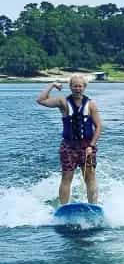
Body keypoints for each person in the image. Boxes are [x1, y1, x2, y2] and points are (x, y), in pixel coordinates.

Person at [36, 75, 102, 204]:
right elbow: (41, 100)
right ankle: (64, 207)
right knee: (66, 177)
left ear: (84, 87)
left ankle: (93, 205)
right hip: (68, 146)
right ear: (70, 87)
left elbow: (99, 126)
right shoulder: (63, 102)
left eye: (80, 86)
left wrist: (92, 145)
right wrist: (52, 85)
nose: (77, 88)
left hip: (87, 146)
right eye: (75, 86)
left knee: (90, 177)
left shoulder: (91, 105)